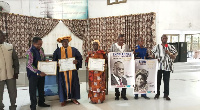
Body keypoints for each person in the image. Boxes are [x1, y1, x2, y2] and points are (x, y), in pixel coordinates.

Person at [53, 36, 83, 106]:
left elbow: (80, 58)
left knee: (74, 84)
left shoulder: (74, 50)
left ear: (68, 42)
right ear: (61, 43)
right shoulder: (57, 51)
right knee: (62, 84)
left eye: (66, 41)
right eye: (63, 42)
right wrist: (56, 64)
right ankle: (63, 99)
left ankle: (74, 98)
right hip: (62, 72)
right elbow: (54, 60)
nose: (65, 43)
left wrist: (77, 61)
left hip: (72, 72)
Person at [26, 37, 50, 110]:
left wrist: (46, 60)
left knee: (41, 88)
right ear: (33, 43)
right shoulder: (30, 51)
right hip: (33, 74)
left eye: (41, 44)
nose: (40, 46)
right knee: (33, 90)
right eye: (38, 44)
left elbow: (43, 57)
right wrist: (38, 72)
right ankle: (33, 106)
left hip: (41, 72)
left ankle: (41, 102)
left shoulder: (41, 49)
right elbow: (29, 64)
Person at [151, 34, 178, 101]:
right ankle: (157, 94)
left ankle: (166, 95)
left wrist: (169, 53)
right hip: (159, 67)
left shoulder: (171, 47)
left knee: (166, 82)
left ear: (167, 39)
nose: (165, 39)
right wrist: (156, 58)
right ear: (161, 39)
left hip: (167, 67)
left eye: (166, 38)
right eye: (163, 38)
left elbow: (174, 56)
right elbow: (152, 54)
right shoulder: (157, 46)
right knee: (158, 81)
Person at [0, 30, 19, 110]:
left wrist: (16, 72)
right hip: (0, 75)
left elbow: (15, 60)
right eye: (2, 36)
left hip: (11, 74)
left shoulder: (10, 46)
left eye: (4, 35)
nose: (4, 37)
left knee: (13, 92)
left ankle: (13, 106)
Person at [110, 34, 130, 100]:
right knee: (116, 80)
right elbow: (110, 55)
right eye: (120, 40)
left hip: (124, 66)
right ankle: (117, 95)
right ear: (118, 39)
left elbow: (129, 55)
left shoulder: (126, 46)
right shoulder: (113, 46)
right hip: (116, 66)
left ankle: (123, 94)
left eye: (123, 40)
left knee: (124, 80)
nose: (121, 41)